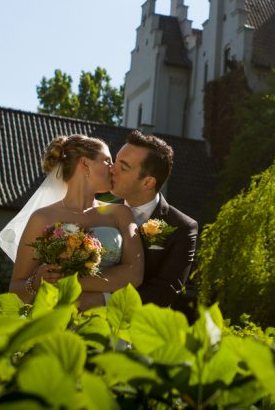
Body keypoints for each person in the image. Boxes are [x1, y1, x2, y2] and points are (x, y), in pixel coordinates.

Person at [0, 134, 144, 304]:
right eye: (107, 161)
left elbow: (134, 274)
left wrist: (69, 283)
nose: (113, 168)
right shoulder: (42, 218)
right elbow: (16, 290)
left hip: (104, 316)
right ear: (85, 164)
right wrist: (36, 282)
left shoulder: (121, 213)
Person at [79, 130, 198, 311]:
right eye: (115, 161)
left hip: (135, 329)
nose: (112, 169)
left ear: (147, 183)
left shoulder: (182, 227)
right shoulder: (95, 210)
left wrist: (105, 300)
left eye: (123, 167)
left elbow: (166, 290)